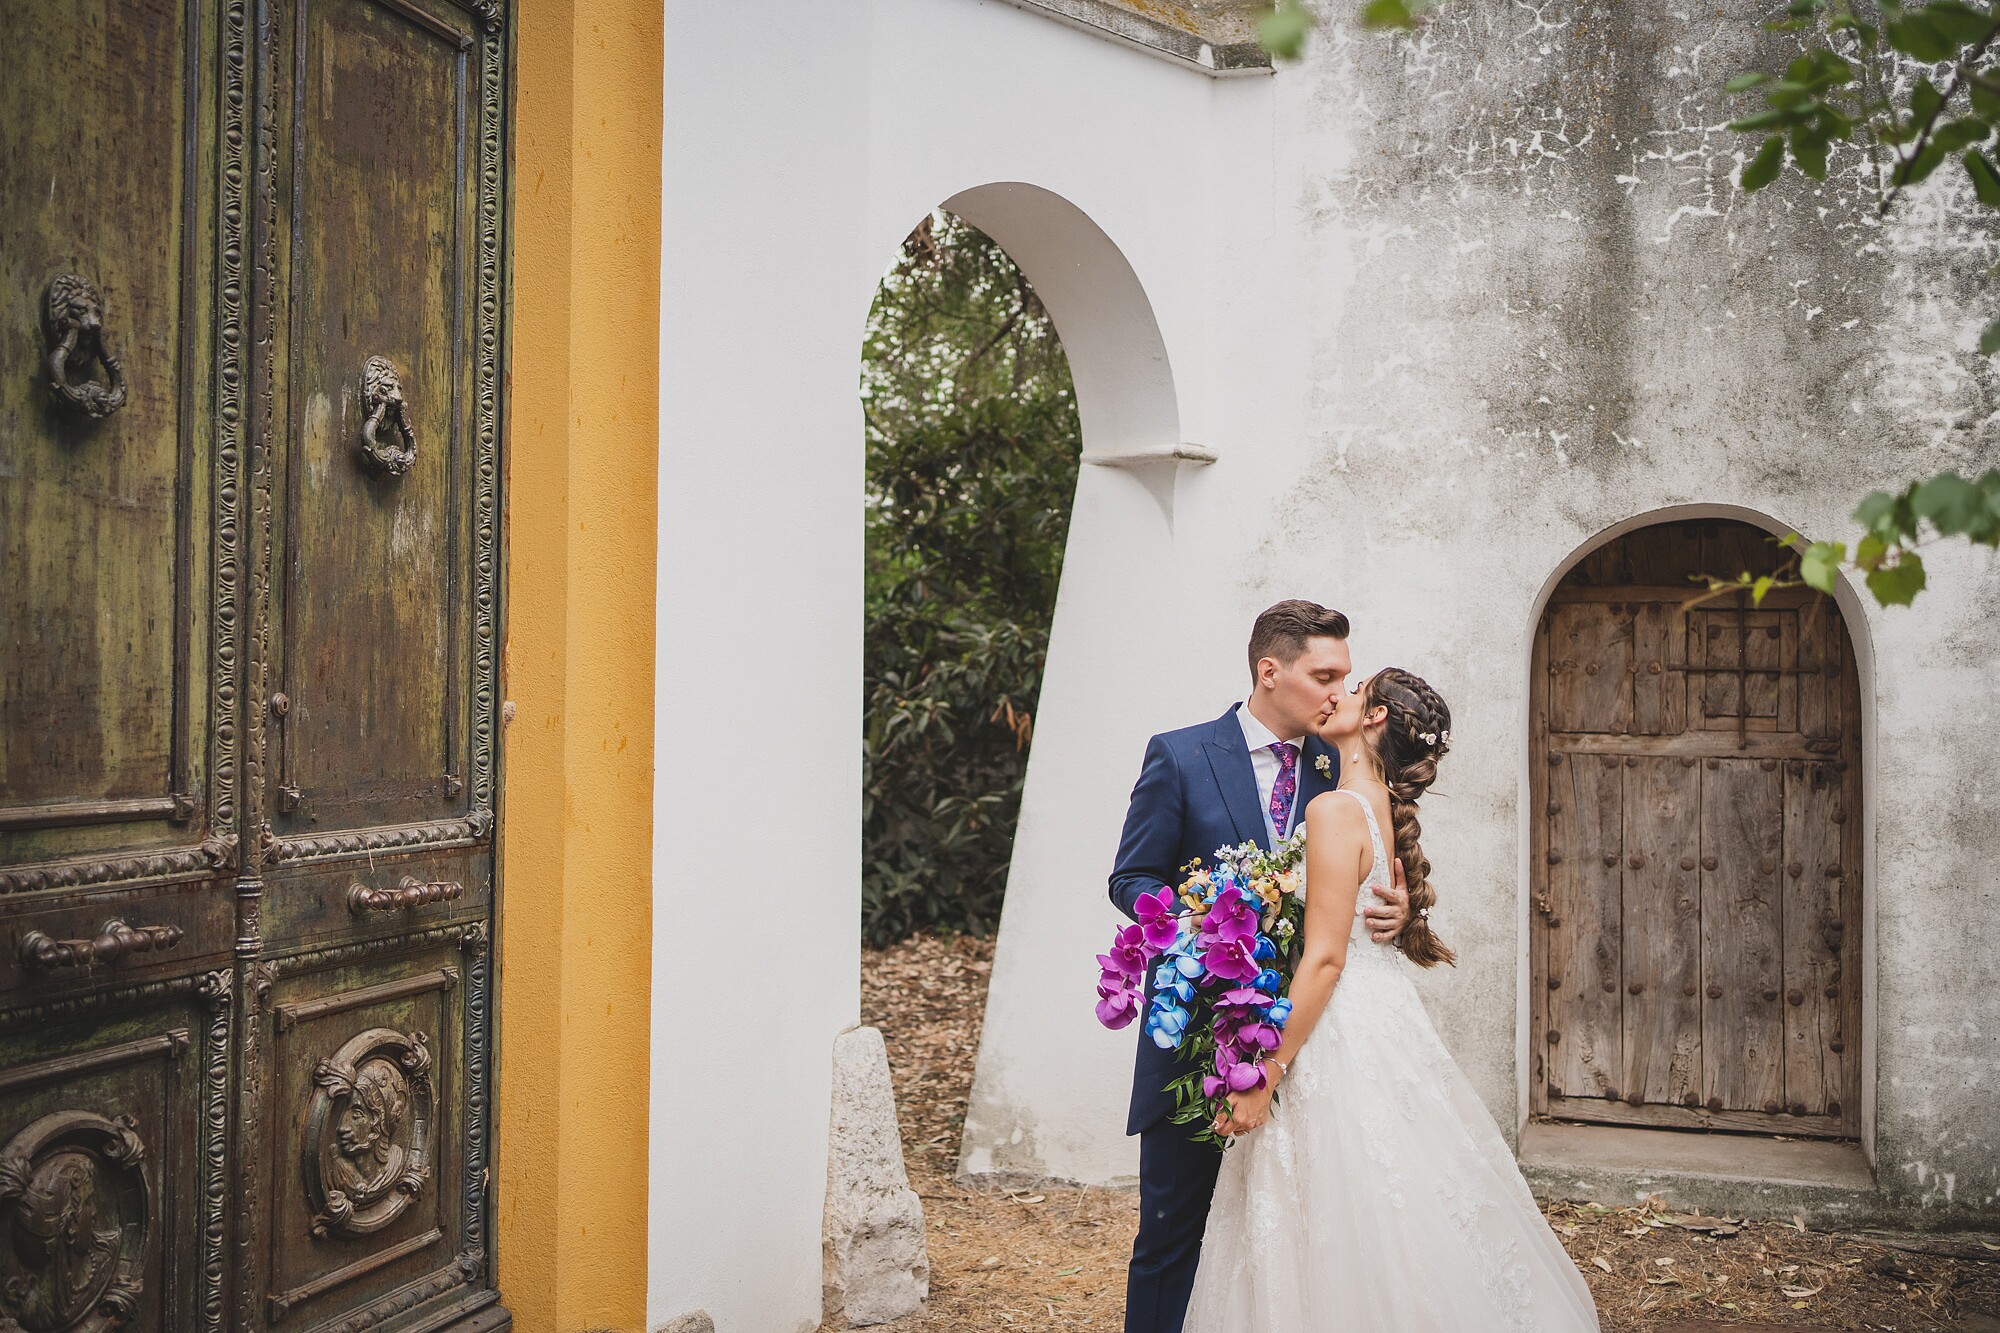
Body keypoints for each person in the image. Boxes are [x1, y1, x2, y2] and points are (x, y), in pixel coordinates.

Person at [1183, 668, 1601, 1331]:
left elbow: (1324, 955)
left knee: (1336, 1204)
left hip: (1335, 1026)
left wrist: (1266, 1070)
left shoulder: (1333, 807)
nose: (1335, 697)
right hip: (1383, 1017)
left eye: (1350, 691)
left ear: (1373, 716)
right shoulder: (1373, 801)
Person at [1109, 601, 1412, 1333]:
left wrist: (1400, 913)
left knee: (1281, 1238)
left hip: (1305, 1045)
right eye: (1325, 674)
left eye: (1345, 675)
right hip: (1198, 1035)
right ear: (1269, 670)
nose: (1339, 692)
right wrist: (1195, 916)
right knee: (1173, 1232)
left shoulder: (1338, 767)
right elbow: (1132, 876)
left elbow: (1361, 878)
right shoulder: (1179, 755)